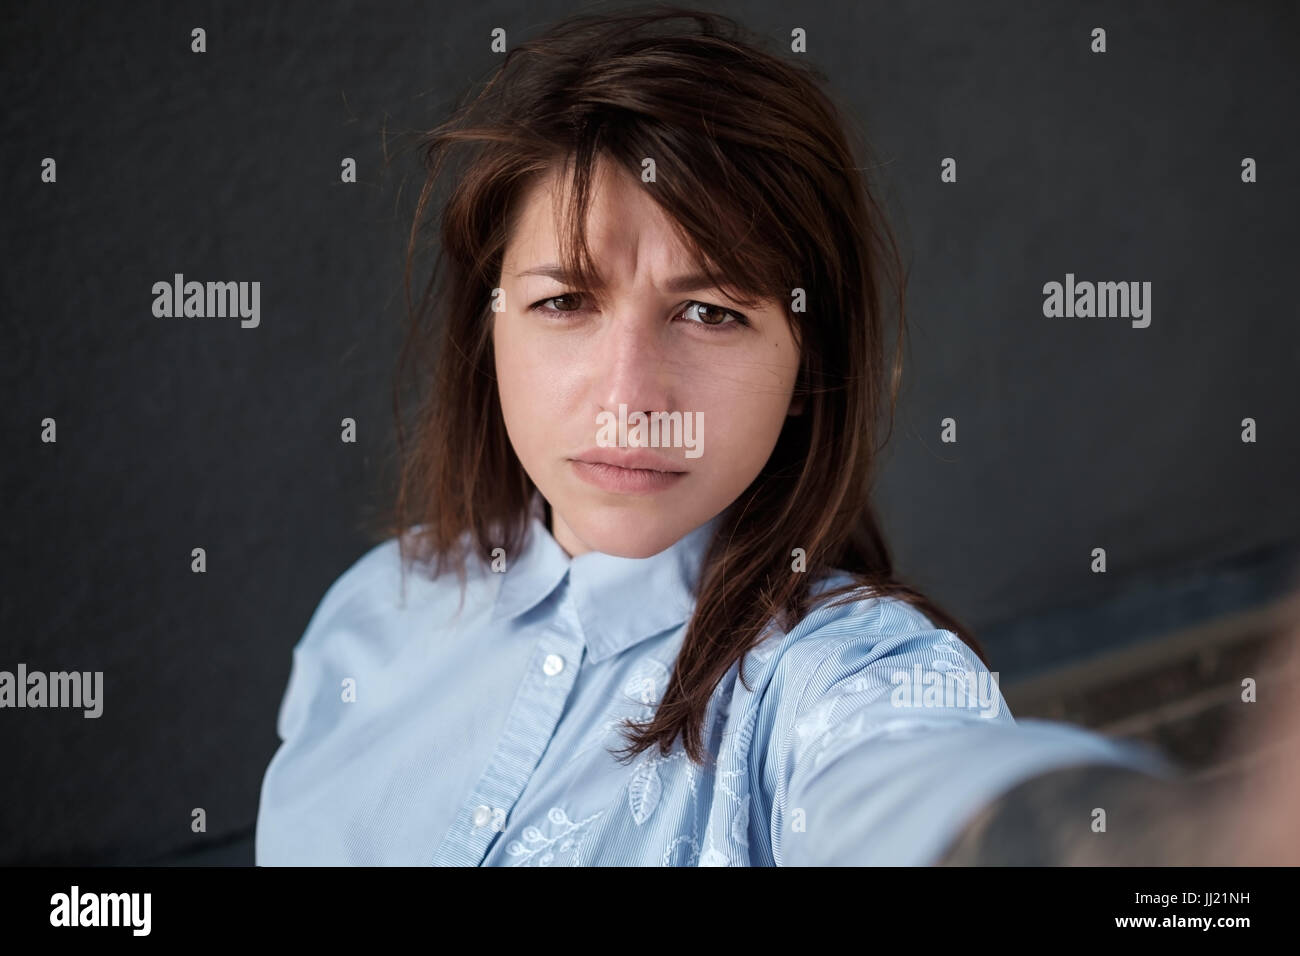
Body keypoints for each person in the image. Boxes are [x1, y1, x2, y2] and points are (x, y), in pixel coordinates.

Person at [255, 7, 1300, 866]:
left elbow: (919, 785)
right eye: (566, 299)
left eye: (710, 310)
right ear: (489, 329)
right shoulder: (369, 616)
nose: (631, 394)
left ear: (809, 366)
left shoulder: (837, 673)